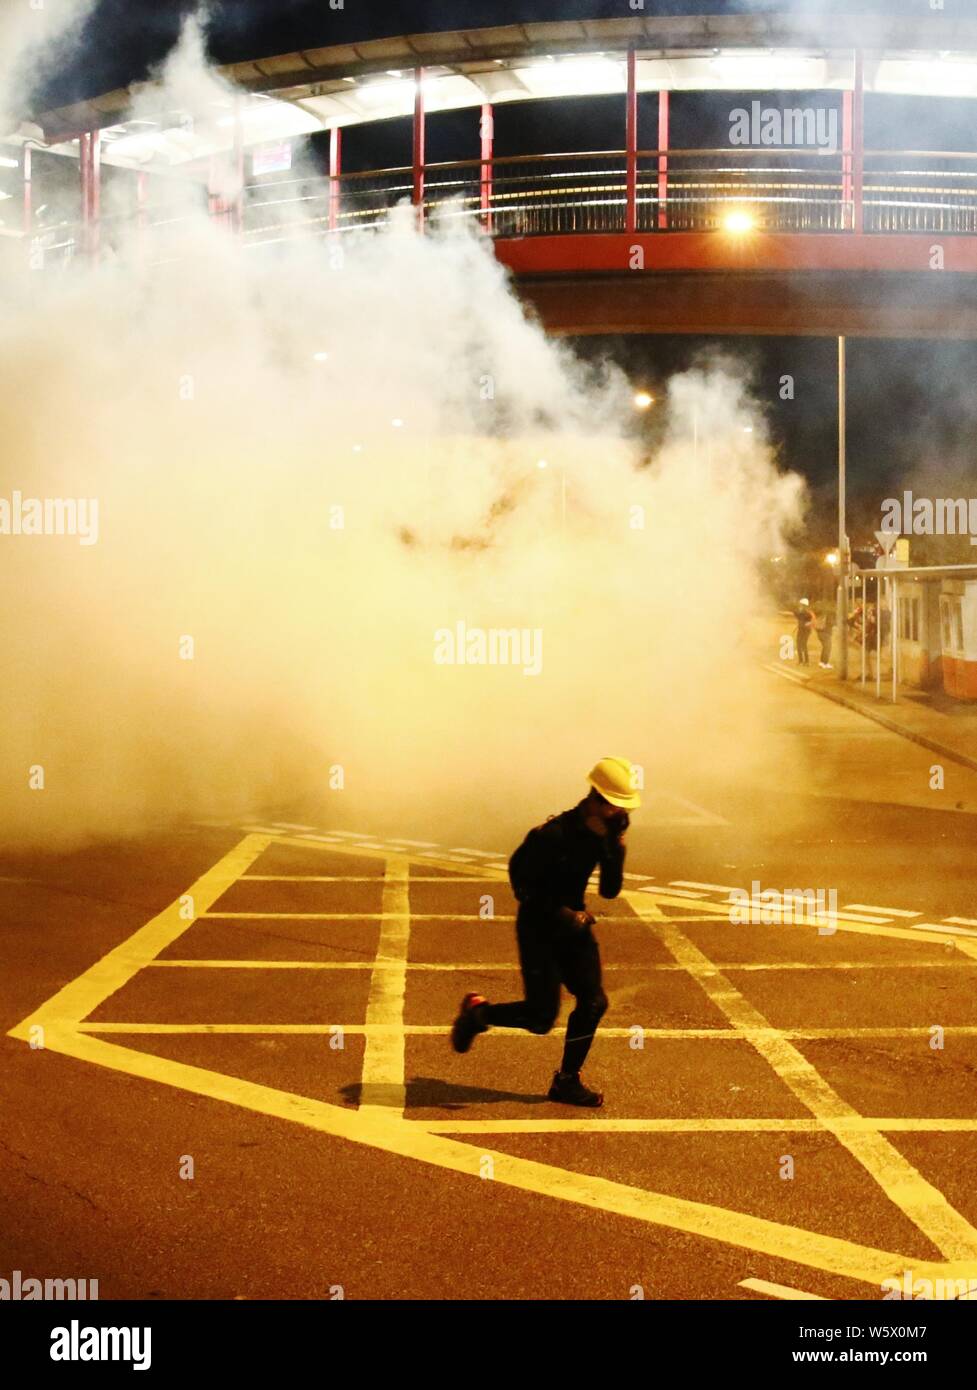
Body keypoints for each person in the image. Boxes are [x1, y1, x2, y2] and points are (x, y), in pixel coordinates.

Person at [450, 757, 641, 1108]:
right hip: (539, 927)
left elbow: (609, 892)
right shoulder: (553, 835)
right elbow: (521, 884)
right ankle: (478, 1015)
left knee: (594, 1001)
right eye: (616, 808)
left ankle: (567, 1081)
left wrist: (616, 851)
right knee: (540, 1018)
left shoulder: (605, 837)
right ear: (596, 800)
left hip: (574, 929)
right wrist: (562, 913)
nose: (621, 815)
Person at [795, 598, 814, 667]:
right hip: (801, 630)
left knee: (803, 645)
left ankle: (806, 662)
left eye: (801, 605)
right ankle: (801, 661)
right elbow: (796, 614)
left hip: (805, 631)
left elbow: (808, 619)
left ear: (804, 605)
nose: (800, 605)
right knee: (799, 644)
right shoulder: (801, 612)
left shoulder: (807, 613)